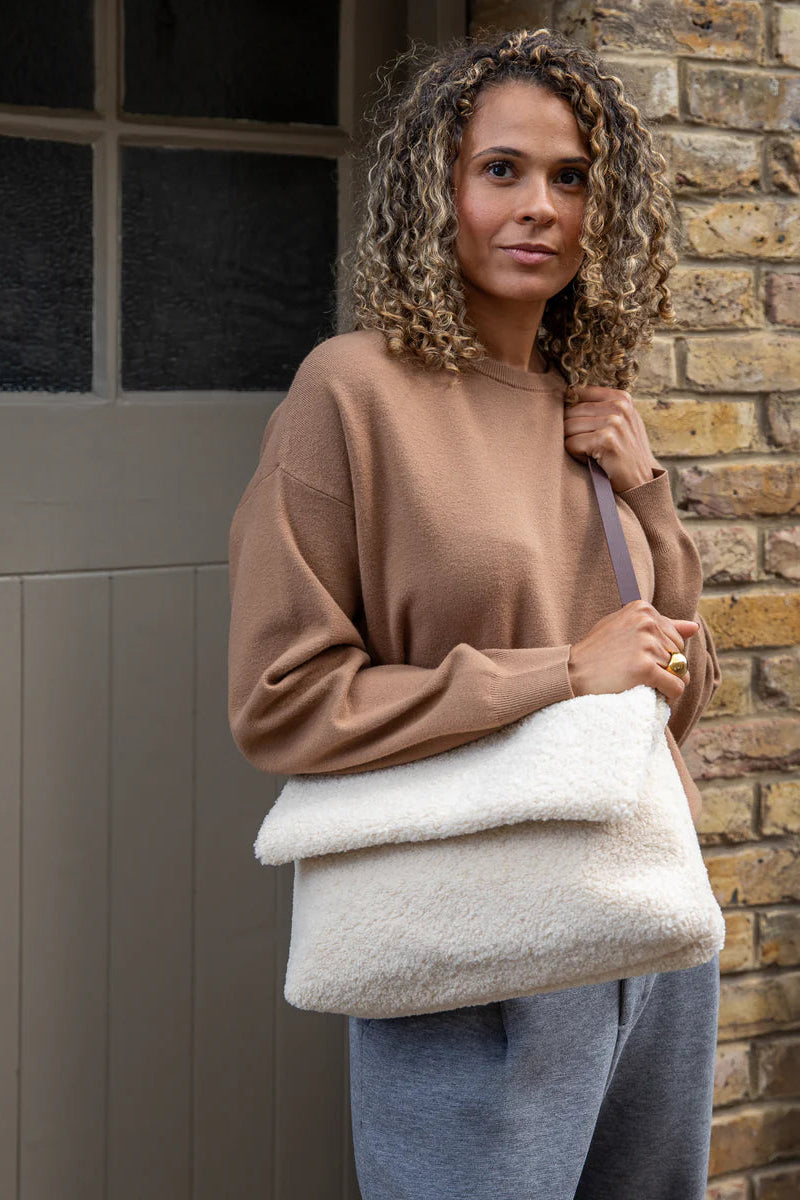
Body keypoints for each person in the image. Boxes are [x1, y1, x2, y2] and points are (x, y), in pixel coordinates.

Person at [226, 26, 723, 1200]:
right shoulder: (353, 393)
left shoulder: (588, 409)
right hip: (472, 937)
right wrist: (559, 672)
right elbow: (281, 702)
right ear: (434, 190)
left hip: (646, 919)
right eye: (500, 169)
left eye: (569, 177)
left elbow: (668, 698)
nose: (538, 205)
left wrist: (647, 498)